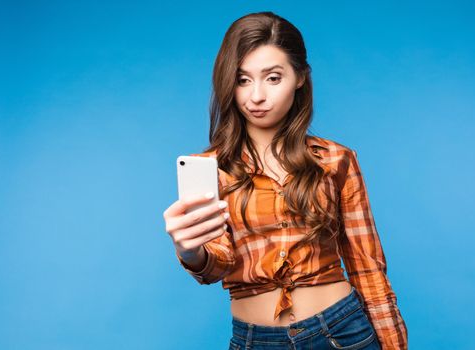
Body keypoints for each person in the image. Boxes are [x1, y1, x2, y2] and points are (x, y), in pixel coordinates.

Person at [163, 11, 408, 350]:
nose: (256, 96)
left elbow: (368, 269)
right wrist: (189, 251)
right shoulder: (211, 168)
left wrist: (395, 344)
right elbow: (216, 265)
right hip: (255, 340)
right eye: (242, 79)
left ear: (300, 78)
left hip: (341, 331)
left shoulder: (336, 160)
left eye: (273, 78)